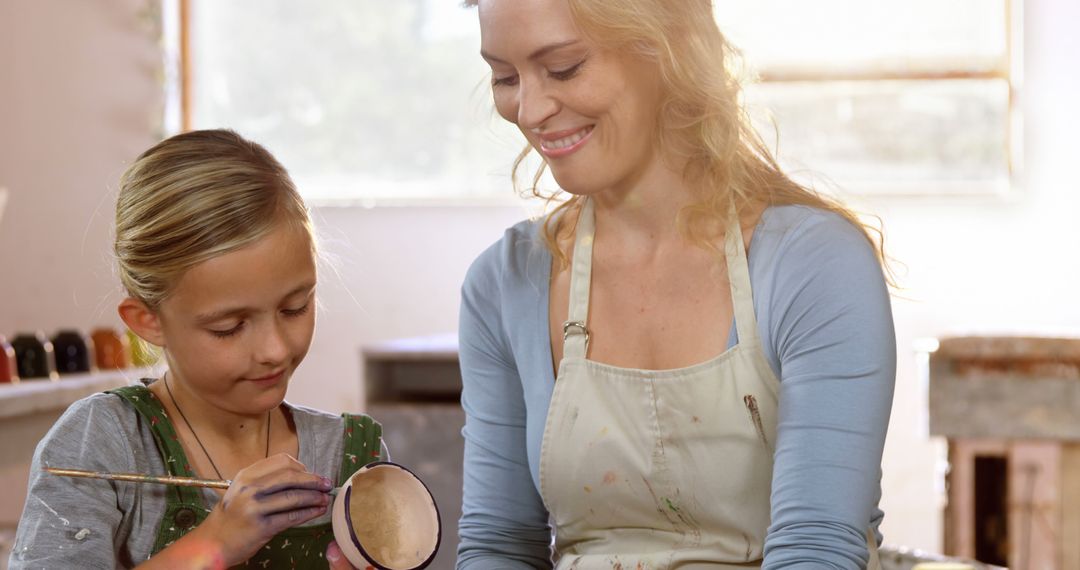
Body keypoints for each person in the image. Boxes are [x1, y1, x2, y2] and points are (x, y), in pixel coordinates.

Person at [457, 0, 896, 568]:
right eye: (505, 77)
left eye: (564, 68)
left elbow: (815, 547)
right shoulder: (505, 282)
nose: (531, 108)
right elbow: (498, 546)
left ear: (671, 49)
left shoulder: (813, 264)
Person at [10, 129, 382, 569]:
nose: (275, 350)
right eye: (229, 327)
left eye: (295, 308)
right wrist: (216, 543)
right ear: (148, 321)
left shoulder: (351, 455)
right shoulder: (102, 445)